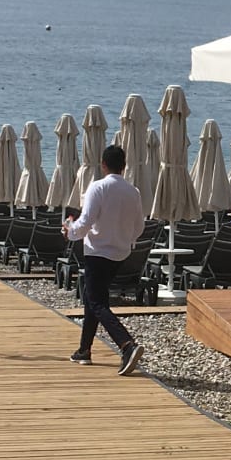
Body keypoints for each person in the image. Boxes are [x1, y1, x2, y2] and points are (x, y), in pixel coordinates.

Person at [65, 143, 146, 374]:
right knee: (93, 298)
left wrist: (70, 230)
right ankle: (84, 350)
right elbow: (139, 226)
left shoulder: (97, 187)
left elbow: (86, 221)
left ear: (103, 165)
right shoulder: (133, 191)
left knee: (97, 302)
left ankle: (127, 345)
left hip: (97, 252)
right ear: (124, 166)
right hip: (120, 253)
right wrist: (125, 238)